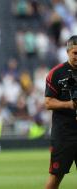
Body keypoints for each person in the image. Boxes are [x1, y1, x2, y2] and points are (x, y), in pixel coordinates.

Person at [44, 35, 77, 189]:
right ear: (67, 52)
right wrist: (70, 105)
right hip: (64, 134)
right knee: (56, 176)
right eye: (75, 53)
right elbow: (48, 102)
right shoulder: (56, 73)